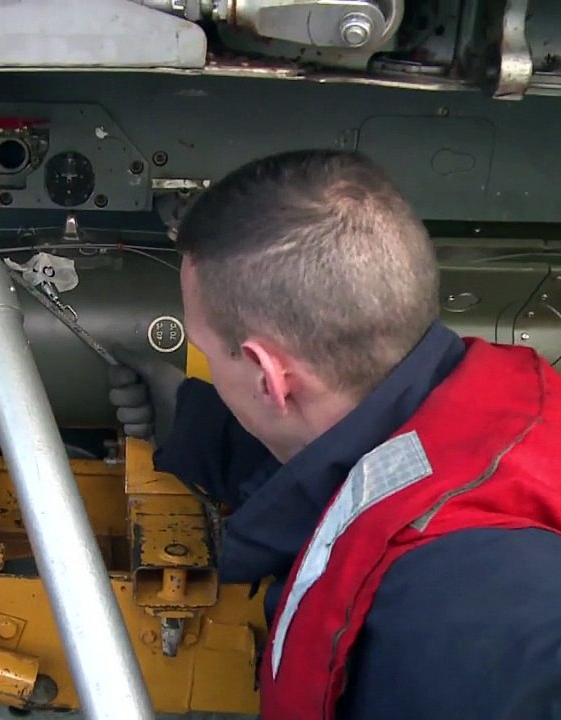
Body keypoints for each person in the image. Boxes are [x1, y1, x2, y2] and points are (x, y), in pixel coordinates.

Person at [109, 149, 561, 719]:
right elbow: (369, 479)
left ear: (269, 376)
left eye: (205, 353)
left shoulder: (470, 619)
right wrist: (198, 428)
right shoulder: (497, 415)